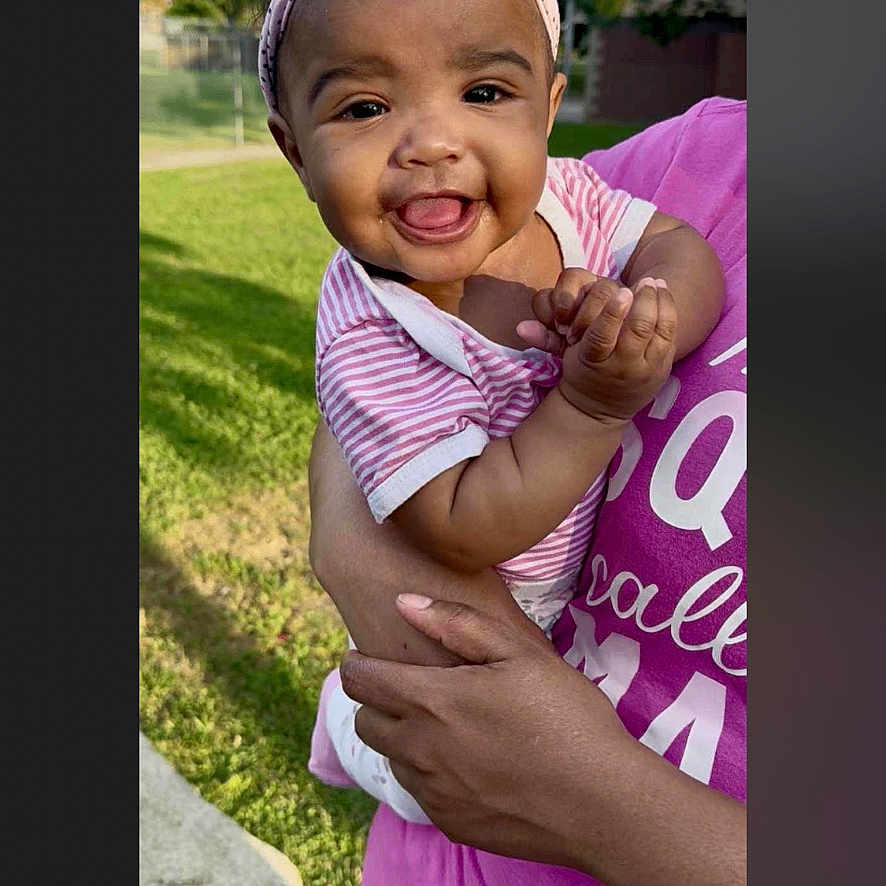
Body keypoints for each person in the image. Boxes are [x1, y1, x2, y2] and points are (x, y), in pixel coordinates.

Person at [258, 0, 724, 822]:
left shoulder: (573, 200)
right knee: (433, 782)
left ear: (548, 108)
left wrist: (647, 314)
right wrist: (591, 404)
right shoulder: (373, 336)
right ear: (295, 148)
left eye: (483, 93)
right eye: (365, 108)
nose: (433, 143)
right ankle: (350, 731)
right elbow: (457, 525)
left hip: (574, 608)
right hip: (476, 628)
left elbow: (678, 246)